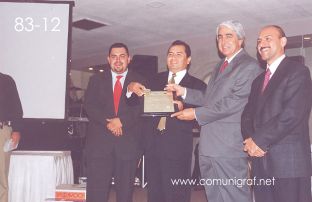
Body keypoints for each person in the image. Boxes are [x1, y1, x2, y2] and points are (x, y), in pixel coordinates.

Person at [166, 20, 263, 202]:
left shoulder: (249, 66)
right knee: (215, 197)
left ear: (240, 40)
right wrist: (184, 92)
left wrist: (195, 114)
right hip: (209, 146)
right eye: (219, 36)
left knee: (235, 197)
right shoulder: (220, 65)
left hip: (228, 148)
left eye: (228, 36)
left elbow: (235, 102)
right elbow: (210, 98)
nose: (223, 40)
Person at [128, 40, 206, 202]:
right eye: (170, 54)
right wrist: (130, 91)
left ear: (188, 59)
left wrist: (183, 105)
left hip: (177, 146)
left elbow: (204, 112)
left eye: (179, 54)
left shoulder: (197, 85)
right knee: (154, 192)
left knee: (177, 192)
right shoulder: (153, 80)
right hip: (152, 144)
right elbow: (136, 107)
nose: (173, 58)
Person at [242, 25, 312, 202]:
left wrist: (258, 140)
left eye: (268, 38)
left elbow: (292, 115)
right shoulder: (258, 80)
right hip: (260, 162)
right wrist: (250, 141)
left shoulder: (298, 72)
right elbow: (247, 115)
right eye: (259, 40)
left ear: (283, 42)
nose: (261, 43)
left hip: (289, 163)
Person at [84, 43, 145, 202]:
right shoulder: (96, 80)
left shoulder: (140, 80)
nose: (118, 60)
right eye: (114, 56)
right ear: (108, 59)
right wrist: (110, 123)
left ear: (129, 59)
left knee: (125, 194)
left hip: (127, 145)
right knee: (96, 193)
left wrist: (121, 121)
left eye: (122, 56)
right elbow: (90, 106)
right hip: (99, 146)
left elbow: (140, 108)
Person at [0, 72, 23, 202]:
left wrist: (17, 130)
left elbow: (16, 108)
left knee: (1, 176)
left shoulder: (6, 80)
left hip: (1, 131)